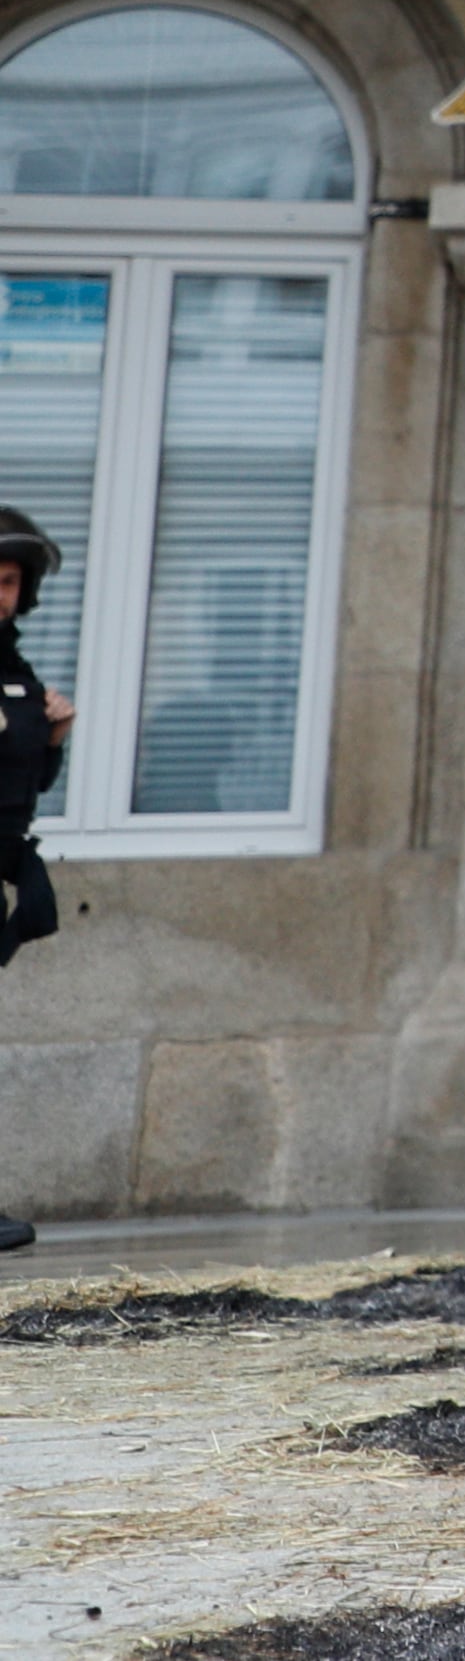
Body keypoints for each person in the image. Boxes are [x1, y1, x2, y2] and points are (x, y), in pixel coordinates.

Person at [0, 507, 60, 1246]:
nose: (0, 594)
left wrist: (57, 737)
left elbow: (26, 781)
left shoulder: (17, 673)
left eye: (9, 581)